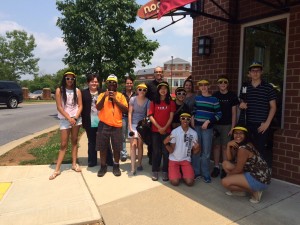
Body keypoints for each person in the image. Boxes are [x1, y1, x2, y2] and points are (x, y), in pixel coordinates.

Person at [239, 62, 277, 168]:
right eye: (253, 71)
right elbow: (241, 101)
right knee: (245, 149)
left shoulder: (268, 87)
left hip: (261, 125)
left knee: (259, 150)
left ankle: (258, 175)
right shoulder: (245, 86)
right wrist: (241, 104)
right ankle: (246, 173)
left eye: (258, 71)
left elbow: (273, 107)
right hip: (246, 123)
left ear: (261, 72)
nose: (255, 73)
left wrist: (267, 124)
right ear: (249, 73)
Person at [221, 125, 271, 204]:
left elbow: (238, 169)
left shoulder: (243, 148)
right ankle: (241, 191)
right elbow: (230, 159)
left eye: (241, 133)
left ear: (245, 135)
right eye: (236, 133)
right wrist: (228, 146)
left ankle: (255, 191)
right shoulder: (242, 144)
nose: (238, 136)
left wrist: (229, 175)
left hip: (259, 179)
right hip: (254, 172)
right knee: (225, 164)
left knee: (225, 182)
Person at [49, 71, 83, 180]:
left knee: (74, 141)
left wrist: (75, 118)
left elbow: (80, 106)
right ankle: (57, 169)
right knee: (63, 144)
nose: (70, 81)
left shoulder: (77, 91)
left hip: (76, 119)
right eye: (68, 78)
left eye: (72, 79)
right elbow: (59, 107)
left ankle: (74, 164)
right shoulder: (60, 90)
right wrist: (69, 118)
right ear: (64, 79)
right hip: (65, 119)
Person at [96, 74, 128, 177]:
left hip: (117, 125)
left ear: (117, 85)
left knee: (117, 147)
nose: (112, 84)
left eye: (114, 82)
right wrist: (105, 97)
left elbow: (125, 110)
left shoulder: (121, 96)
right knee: (103, 147)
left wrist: (115, 100)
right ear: (107, 84)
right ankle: (103, 166)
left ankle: (116, 166)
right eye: (110, 82)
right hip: (104, 124)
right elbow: (98, 107)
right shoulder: (102, 95)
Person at [192, 79, 222, 183]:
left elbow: (219, 114)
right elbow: (193, 111)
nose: (203, 87)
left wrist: (208, 121)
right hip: (196, 128)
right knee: (196, 150)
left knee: (206, 152)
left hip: (207, 129)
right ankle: (196, 172)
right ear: (199, 87)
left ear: (209, 86)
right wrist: (192, 120)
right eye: (201, 85)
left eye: (205, 85)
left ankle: (205, 173)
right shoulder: (197, 98)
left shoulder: (214, 99)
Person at [81, 73, 113, 167]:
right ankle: (92, 161)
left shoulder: (103, 92)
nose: (94, 83)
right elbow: (81, 107)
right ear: (88, 82)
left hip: (102, 121)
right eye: (92, 81)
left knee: (105, 141)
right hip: (89, 121)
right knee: (91, 142)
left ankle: (109, 160)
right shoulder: (83, 93)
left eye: (96, 81)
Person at [211, 76, 239, 178]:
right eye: (220, 82)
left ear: (227, 84)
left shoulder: (232, 95)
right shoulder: (215, 95)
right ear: (218, 84)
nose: (223, 84)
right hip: (216, 124)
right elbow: (212, 110)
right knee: (216, 146)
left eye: (225, 82)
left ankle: (224, 168)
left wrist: (233, 127)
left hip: (227, 125)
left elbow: (234, 113)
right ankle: (216, 167)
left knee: (225, 147)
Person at [148, 81, 176, 181]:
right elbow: (150, 116)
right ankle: (155, 171)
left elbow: (171, 117)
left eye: (165, 88)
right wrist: (159, 127)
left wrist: (164, 128)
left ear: (167, 90)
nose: (163, 90)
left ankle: (165, 171)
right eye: (161, 88)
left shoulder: (171, 102)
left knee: (165, 152)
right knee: (156, 151)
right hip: (155, 131)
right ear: (158, 90)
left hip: (167, 131)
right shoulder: (153, 102)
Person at [163, 113, 200, 186]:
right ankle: (178, 173)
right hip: (174, 159)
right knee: (175, 182)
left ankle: (183, 173)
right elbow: (171, 151)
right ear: (180, 119)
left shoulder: (194, 133)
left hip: (186, 160)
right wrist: (165, 143)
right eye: (183, 118)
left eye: (188, 119)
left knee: (190, 182)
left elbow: (195, 152)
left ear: (190, 120)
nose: (185, 120)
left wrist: (198, 148)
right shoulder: (175, 132)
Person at [128, 83, 150, 176]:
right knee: (133, 145)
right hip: (133, 125)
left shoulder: (148, 101)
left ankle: (139, 163)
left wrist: (144, 125)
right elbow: (130, 113)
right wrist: (130, 127)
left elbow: (148, 115)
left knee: (140, 145)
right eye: (140, 89)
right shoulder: (132, 99)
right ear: (137, 90)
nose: (142, 91)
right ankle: (133, 168)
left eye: (144, 90)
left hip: (141, 126)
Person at [145, 66, 164, 165]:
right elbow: (144, 98)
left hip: (163, 114)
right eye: (157, 72)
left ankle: (160, 156)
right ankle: (151, 156)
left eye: (160, 72)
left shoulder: (165, 85)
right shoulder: (149, 85)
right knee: (151, 138)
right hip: (152, 114)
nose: (159, 73)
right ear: (154, 73)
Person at [121, 76, 135, 162]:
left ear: (133, 84)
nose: (129, 84)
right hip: (124, 117)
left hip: (134, 118)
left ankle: (133, 153)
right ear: (125, 84)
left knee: (133, 136)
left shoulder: (136, 94)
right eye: (127, 83)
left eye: (130, 83)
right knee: (122, 136)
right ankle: (123, 153)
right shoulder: (121, 94)